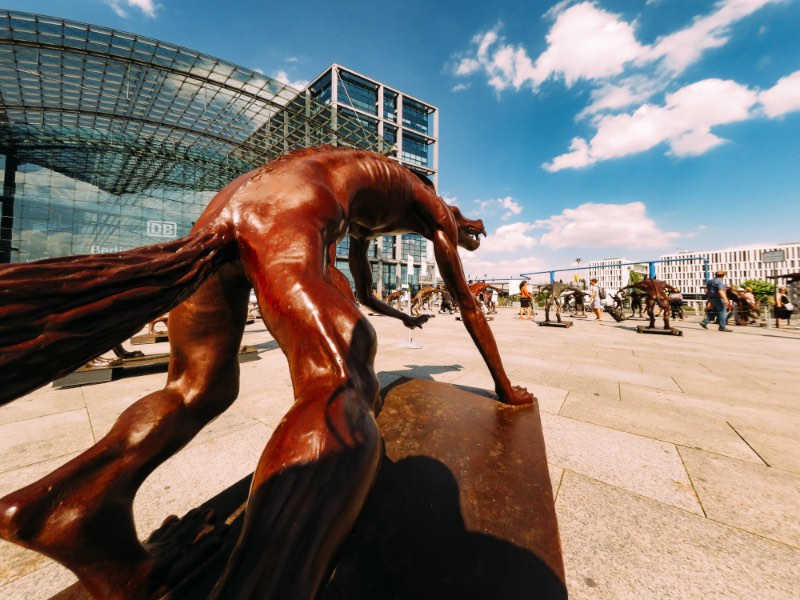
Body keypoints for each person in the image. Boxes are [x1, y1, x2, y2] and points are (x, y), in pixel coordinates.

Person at [0, 146, 534, 599]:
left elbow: (367, 290)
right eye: (466, 237)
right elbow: (467, 303)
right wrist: (503, 388)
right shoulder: (434, 209)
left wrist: (401, 315)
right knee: (341, 384)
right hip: (289, 209)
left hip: (226, 209)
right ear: (462, 224)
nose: (461, 243)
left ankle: (71, 510)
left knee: (196, 387)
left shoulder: (375, 197)